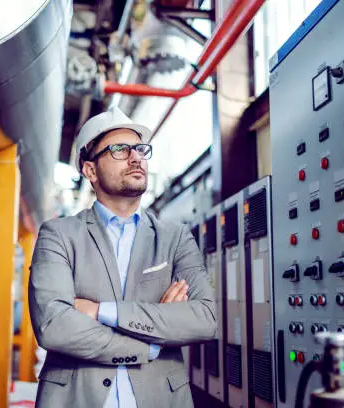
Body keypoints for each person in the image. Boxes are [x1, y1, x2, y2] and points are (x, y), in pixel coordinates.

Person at [28, 106, 217, 408]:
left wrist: (100, 310)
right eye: (119, 149)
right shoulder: (58, 234)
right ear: (90, 170)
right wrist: (150, 344)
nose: (136, 157)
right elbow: (54, 326)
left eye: (140, 149)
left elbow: (204, 319)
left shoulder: (175, 237)